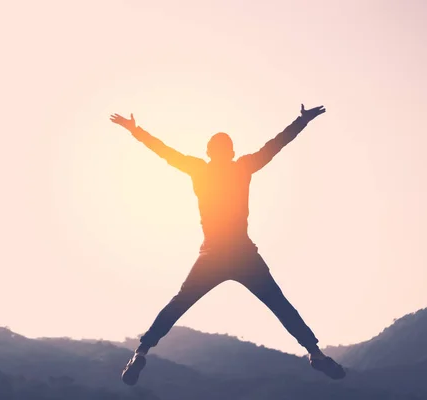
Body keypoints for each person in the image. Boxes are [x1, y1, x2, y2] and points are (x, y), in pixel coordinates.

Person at [109, 104, 346, 386]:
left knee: (178, 303)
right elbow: (276, 145)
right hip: (243, 255)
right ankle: (315, 354)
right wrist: (302, 120)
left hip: (211, 255)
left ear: (209, 152)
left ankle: (141, 351)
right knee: (280, 304)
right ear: (231, 153)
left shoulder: (198, 169)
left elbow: (163, 151)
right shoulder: (243, 167)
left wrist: (135, 130)